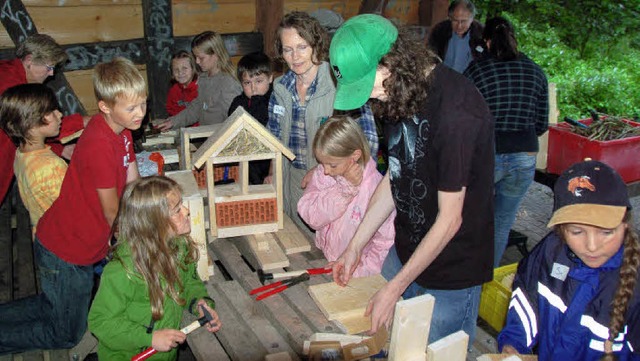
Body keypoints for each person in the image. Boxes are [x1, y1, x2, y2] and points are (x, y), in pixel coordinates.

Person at [329, 14, 494, 344]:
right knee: (381, 340)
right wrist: (355, 245)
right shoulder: (400, 95)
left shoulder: (456, 112)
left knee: (431, 351)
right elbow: (397, 174)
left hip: (452, 268)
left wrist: (395, 287)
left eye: (369, 85)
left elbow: (449, 220)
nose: (370, 98)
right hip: (405, 249)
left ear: (391, 61)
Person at [0, 57, 144, 354]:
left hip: (76, 243)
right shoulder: (100, 144)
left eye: (142, 103)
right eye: (131, 108)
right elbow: (112, 213)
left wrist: (146, 205)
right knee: (66, 333)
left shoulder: (124, 130)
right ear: (105, 106)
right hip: (67, 251)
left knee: (52, 304)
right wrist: (141, 240)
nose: (140, 113)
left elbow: (133, 182)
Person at [498, 159, 640, 360]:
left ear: (625, 225)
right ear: (561, 230)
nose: (591, 246)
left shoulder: (635, 285)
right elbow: (527, 299)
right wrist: (514, 342)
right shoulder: (551, 251)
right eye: (576, 231)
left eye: (606, 232)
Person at [266, 11, 378, 233]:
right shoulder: (280, 87)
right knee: (293, 237)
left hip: (332, 181)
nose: (295, 56)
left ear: (316, 45)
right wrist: (272, 173)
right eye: (288, 50)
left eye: (302, 47)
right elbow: (274, 136)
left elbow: (369, 142)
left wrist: (323, 171)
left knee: (327, 246)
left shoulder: (340, 83)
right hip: (290, 177)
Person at [88, 176, 221, 360]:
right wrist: (149, 338)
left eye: (182, 204)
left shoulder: (178, 247)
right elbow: (100, 322)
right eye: (177, 210)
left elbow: (189, 281)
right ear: (154, 225)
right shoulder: (122, 271)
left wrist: (198, 302)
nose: (187, 211)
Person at [464, 17, 549, 268]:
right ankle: (485, 276)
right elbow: (542, 123)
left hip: (487, 155)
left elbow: (463, 118)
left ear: (487, 41)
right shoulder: (535, 71)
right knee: (501, 223)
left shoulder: (477, 71)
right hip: (524, 155)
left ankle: (461, 271)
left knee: (466, 217)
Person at [297, 116, 395, 277]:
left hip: (354, 272)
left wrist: (358, 271)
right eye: (322, 163)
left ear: (355, 156)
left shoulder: (376, 190)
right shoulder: (323, 173)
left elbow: (385, 244)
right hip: (323, 258)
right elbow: (311, 217)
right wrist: (344, 190)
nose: (326, 170)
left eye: (332, 165)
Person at [0, 33, 87, 206]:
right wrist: (84, 121)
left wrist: (59, 149)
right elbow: (34, 124)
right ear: (29, 60)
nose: (51, 73)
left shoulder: (8, 70)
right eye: (48, 67)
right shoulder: (12, 87)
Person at [0, 84, 67, 232]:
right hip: (63, 240)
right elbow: (74, 210)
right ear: (31, 122)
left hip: (43, 232)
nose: (60, 114)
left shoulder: (22, 153)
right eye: (51, 112)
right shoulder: (51, 167)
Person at [156, 31, 242, 130]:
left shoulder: (228, 83)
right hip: (205, 136)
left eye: (201, 58)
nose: (197, 61)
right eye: (195, 57)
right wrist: (173, 121)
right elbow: (197, 107)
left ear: (216, 55)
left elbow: (234, 119)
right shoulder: (204, 78)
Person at [228, 51, 274, 184]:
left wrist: (257, 101)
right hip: (245, 163)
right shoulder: (238, 103)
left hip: (270, 163)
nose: (254, 88)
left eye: (259, 81)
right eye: (247, 83)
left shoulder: (276, 100)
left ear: (270, 78)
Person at [427, 0, 484, 73]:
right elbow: (430, 56)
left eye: (463, 21)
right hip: (443, 78)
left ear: (472, 19)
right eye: (455, 20)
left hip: (469, 81)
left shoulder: (481, 34)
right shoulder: (440, 31)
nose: (459, 26)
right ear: (450, 18)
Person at [166, 50, 198, 119]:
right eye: (176, 70)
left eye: (184, 68)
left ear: (193, 69)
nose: (180, 73)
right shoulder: (173, 91)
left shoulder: (200, 88)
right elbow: (171, 112)